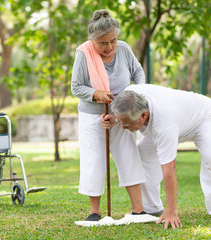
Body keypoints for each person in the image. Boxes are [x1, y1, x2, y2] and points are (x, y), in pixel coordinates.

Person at [101, 84, 211, 229]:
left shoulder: (164, 123)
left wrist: (171, 210)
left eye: (126, 124)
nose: (124, 127)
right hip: (177, 120)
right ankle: (153, 207)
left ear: (143, 115)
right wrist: (115, 120)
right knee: (143, 153)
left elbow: (169, 168)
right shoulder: (128, 97)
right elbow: (123, 115)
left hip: (203, 118)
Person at [71, 9, 147, 221]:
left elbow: (138, 72)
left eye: (113, 40)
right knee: (94, 160)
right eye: (103, 43)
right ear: (93, 40)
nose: (110, 47)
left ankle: (138, 210)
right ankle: (94, 212)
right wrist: (96, 93)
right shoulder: (84, 54)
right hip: (92, 115)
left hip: (122, 113)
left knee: (128, 155)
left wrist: (138, 93)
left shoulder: (123, 49)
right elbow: (76, 87)